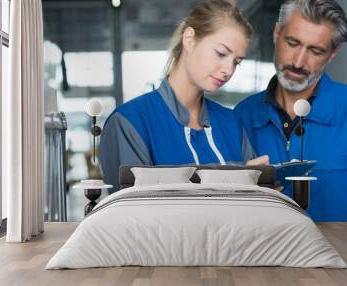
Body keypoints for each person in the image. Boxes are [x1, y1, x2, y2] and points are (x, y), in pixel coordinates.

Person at [234, 0, 347, 221]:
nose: (299, 62)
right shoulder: (243, 115)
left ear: (332, 53)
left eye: (316, 51)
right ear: (276, 33)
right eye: (292, 43)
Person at [100, 0, 268, 193]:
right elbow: (133, 214)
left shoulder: (231, 123)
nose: (228, 70)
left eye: (236, 62)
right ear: (189, 39)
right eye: (221, 53)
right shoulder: (129, 123)